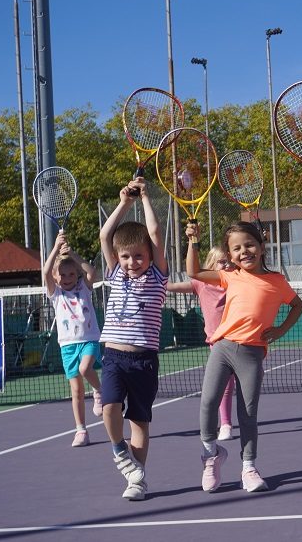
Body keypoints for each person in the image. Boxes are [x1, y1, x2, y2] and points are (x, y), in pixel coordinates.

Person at [186, 221, 302, 493]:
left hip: (252, 353)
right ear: (229, 255)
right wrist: (194, 241)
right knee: (208, 403)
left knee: (248, 413)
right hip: (223, 347)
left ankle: (249, 467)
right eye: (236, 249)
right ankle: (210, 455)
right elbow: (193, 271)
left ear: (262, 247)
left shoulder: (277, 281)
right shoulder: (230, 275)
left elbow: (298, 305)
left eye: (249, 245)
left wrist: (281, 330)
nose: (244, 252)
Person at [97, 178, 169, 501]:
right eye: (125, 257)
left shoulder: (157, 277)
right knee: (109, 407)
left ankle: (137, 481)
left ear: (150, 257)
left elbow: (154, 234)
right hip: (113, 355)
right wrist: (125, 202)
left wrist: (146, 199)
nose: (131, 263)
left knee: (139, 420)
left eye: (138, 257)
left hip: (143, 360)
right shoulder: (115, 275)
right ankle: (118, 451)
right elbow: (105, 235)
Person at [168, 246, 237, 441]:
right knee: (224, 385)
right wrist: (153, 277)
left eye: (229, 261)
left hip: (240, 340)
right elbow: (172, 287)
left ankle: (238, 422)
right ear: (211, 266)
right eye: (222, 262)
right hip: (217, 344)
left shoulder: (235, 282)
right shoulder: (201, 284)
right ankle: (225, 424)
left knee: (245, 383)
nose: (227, 265)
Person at [42, 231, 102, 448]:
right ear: (56, 278)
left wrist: (72, 254)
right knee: (76, 391)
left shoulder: (84, 288)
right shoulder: (56, 294)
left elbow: (91, 271)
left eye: (71, 274)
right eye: (62, 275)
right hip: (67, 345)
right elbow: (45, 271)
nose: (67, 279)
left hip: (88, 340)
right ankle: (81, 430)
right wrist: (56, 248)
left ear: (76, 275)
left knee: (87, 369)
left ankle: (99, 390)